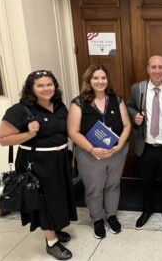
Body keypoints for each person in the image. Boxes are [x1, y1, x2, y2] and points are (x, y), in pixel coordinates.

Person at [0, 70, 77, 260]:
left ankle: (55, 229)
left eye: (49, 84)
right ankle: (51, 242)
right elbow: (2, 139)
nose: (46, 88)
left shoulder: (59, 106)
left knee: (58, 197)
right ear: (31, 88)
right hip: (37, 163)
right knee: (43, 201)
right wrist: (28, 134)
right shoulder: (20, 110)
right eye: (40, 85)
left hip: (59, 160)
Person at [67, 64, 131, 239]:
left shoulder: (116, 100)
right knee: (94, 188)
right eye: (95, 78)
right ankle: (97, 219)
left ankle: (111, 216)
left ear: (107, 80)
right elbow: (73, 132)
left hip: (116, 152)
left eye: (103, 78)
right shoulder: (79, 102)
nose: (100, 81)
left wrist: (120, 145)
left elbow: (127, 125)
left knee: (112, 185)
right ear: (89, 81)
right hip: (90, 155)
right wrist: (92, 149)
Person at [126, 55, 162, 231]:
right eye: (153, 67)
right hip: (146, 145)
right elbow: (129, 105)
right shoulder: (138, 88)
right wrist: (133, 115)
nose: (157, 71)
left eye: (160, 67)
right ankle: (147, 209)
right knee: (147, 181)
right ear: (148, 69)